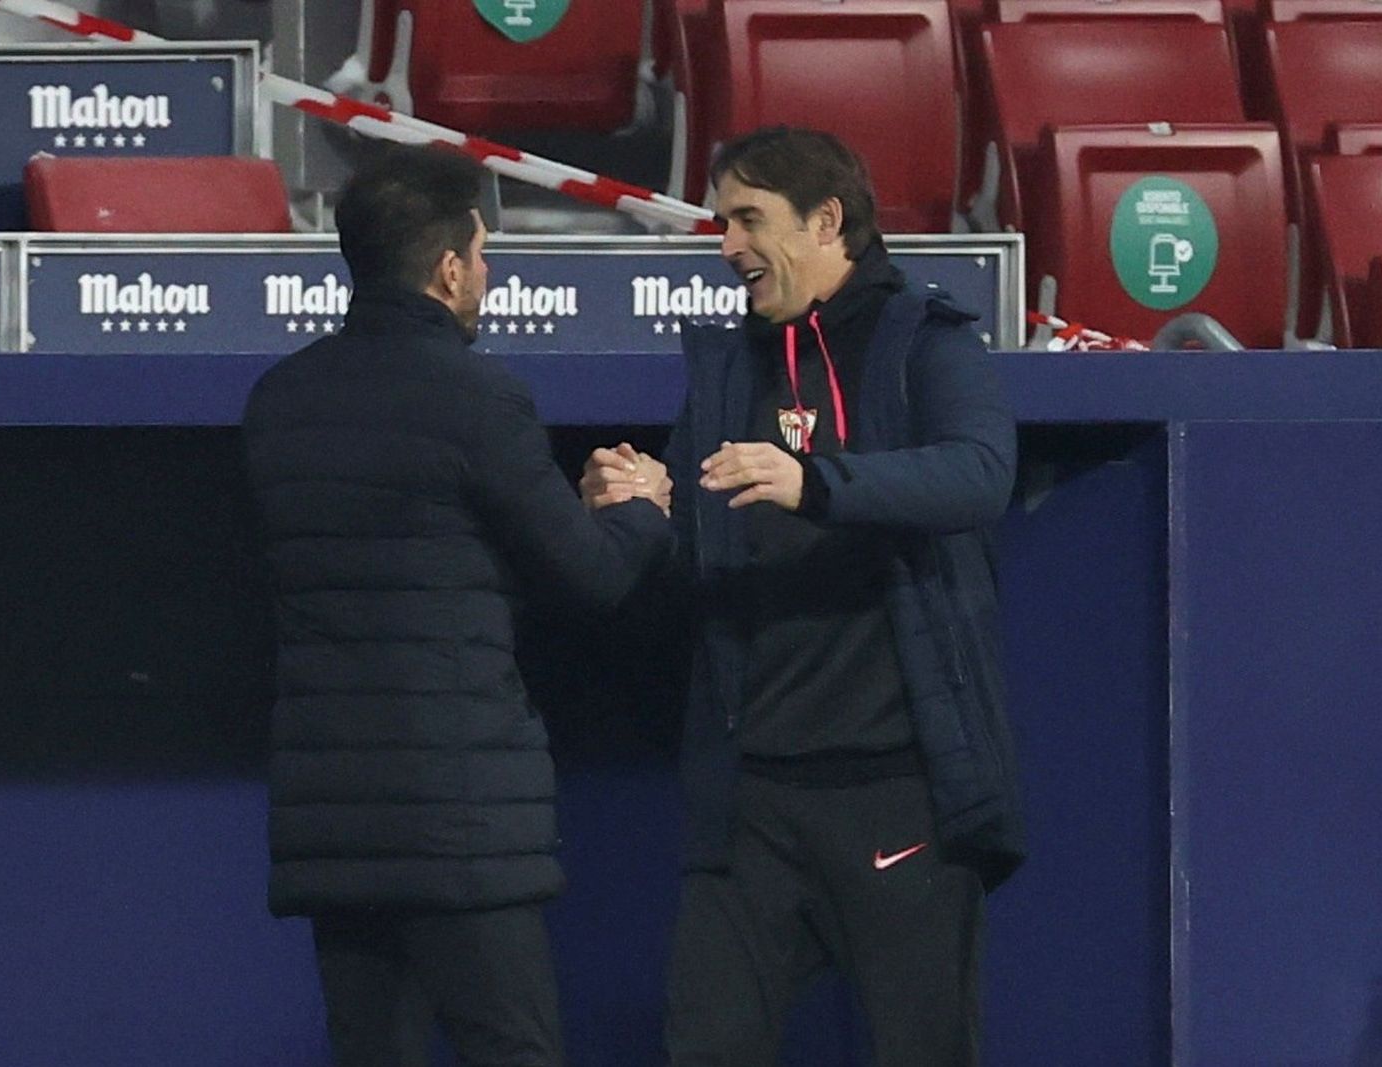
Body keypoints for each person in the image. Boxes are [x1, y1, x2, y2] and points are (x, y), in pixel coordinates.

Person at [582, 126, 1024, 1066]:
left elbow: (980, 473)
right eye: (723, 221)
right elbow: (691, 563)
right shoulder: (732, 364)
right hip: (752, 796)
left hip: (895, 789)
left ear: (827, 221)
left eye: (749, 219)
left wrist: (814, 480)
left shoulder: (925, 340)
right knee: (703, 1045)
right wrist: (640, 510)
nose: (730, 245)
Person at [242, 143, 672, 1067]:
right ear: (447, 269)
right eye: (481, 257)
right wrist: (639, 511)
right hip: (459, 818)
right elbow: (592, 575)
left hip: (336, 822)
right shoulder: (479, 397)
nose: (485, 275)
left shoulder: (278, 401)